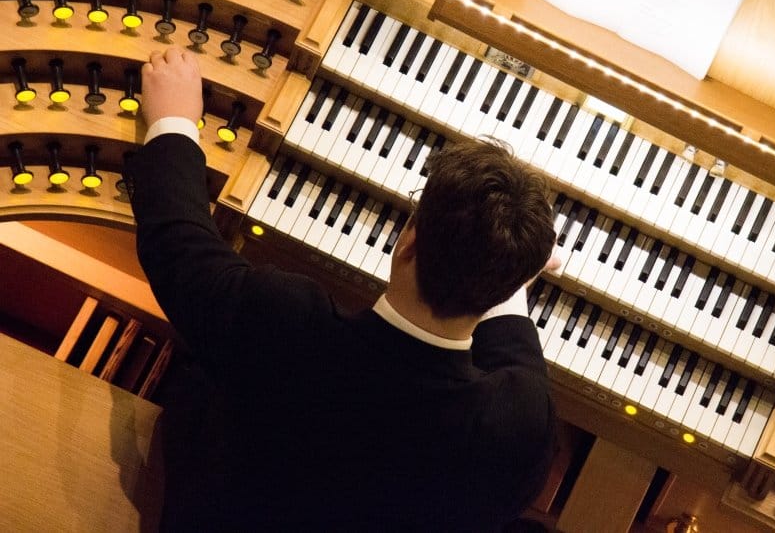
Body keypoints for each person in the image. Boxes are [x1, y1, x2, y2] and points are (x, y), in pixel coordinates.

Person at [127, 47, 559, 531]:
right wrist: (505, 262)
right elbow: (520, 365)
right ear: (510, 283)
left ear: (409, 242)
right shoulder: (517, 429)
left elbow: (177, 247)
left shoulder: (284, 324)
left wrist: (173, 121)